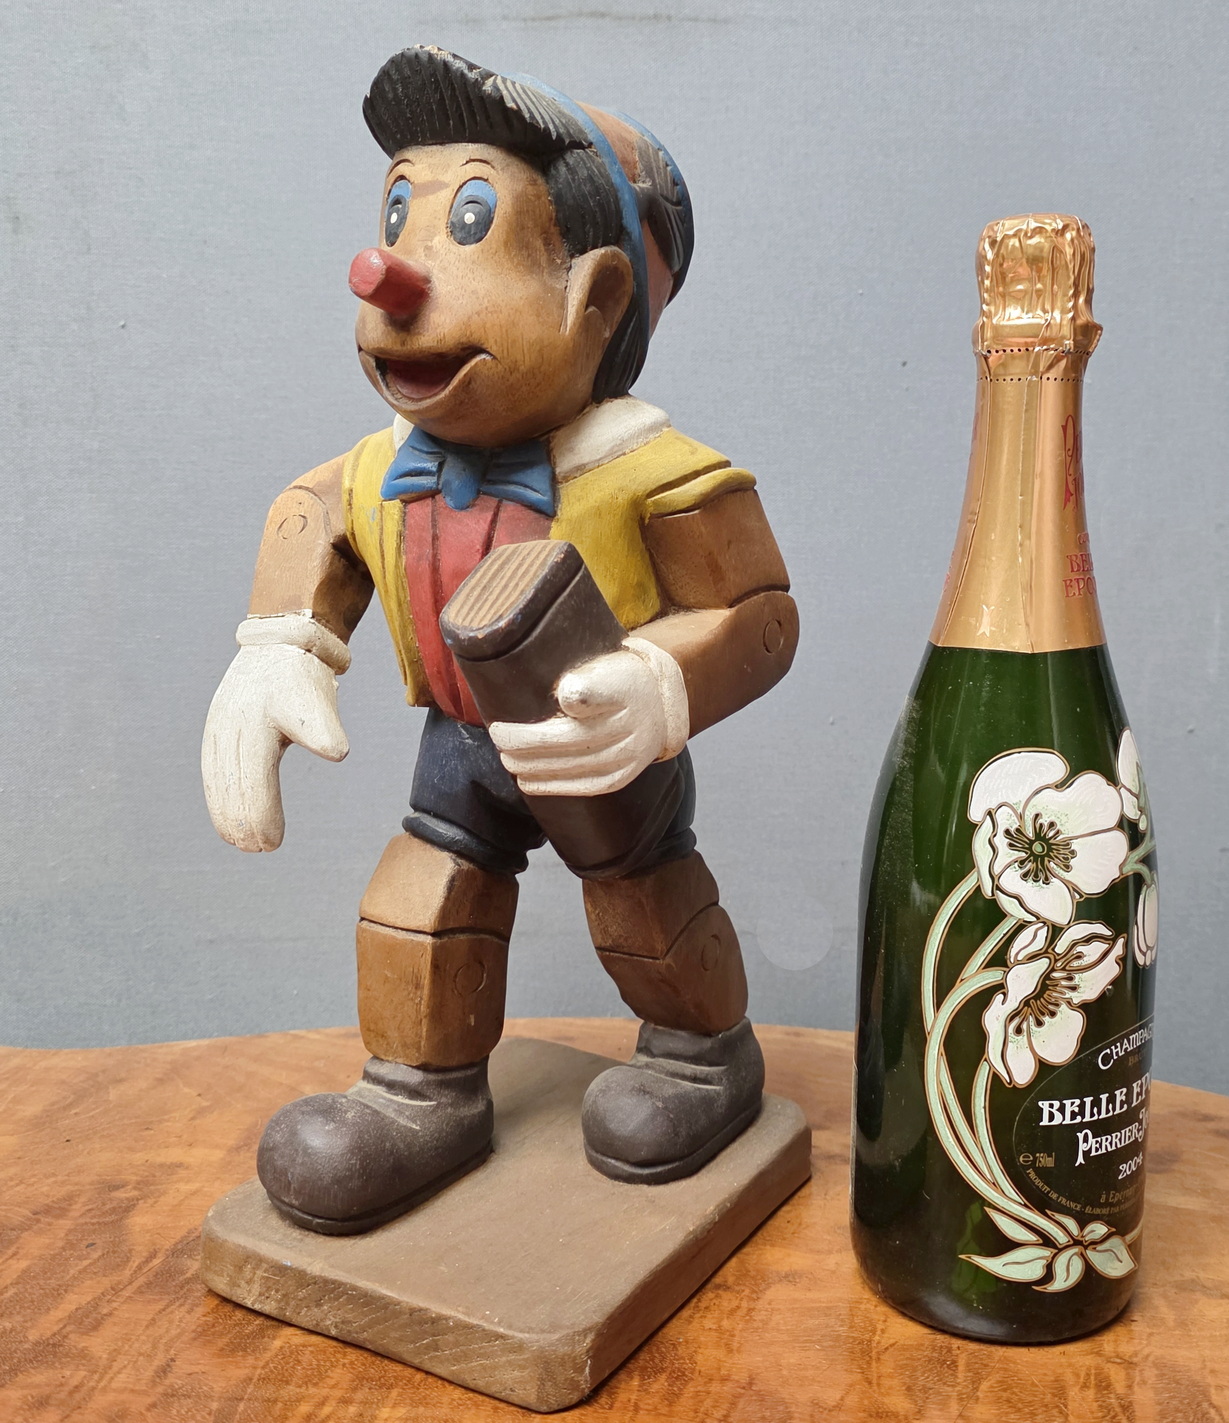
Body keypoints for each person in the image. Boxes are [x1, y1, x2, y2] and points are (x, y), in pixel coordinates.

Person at [202, 44, 798, 1235]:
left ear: (597, 298)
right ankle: (418, 1091)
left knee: (640, 901)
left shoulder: (653, 473)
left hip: (596, 750)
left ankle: (700, 1054)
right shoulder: (383, 469)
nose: (389, 272)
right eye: (398, 213)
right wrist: (276, 646)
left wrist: (656, 683)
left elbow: (759, 614)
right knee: (422, 896)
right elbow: (309, 519)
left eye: (467, 220)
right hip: (456, 748)